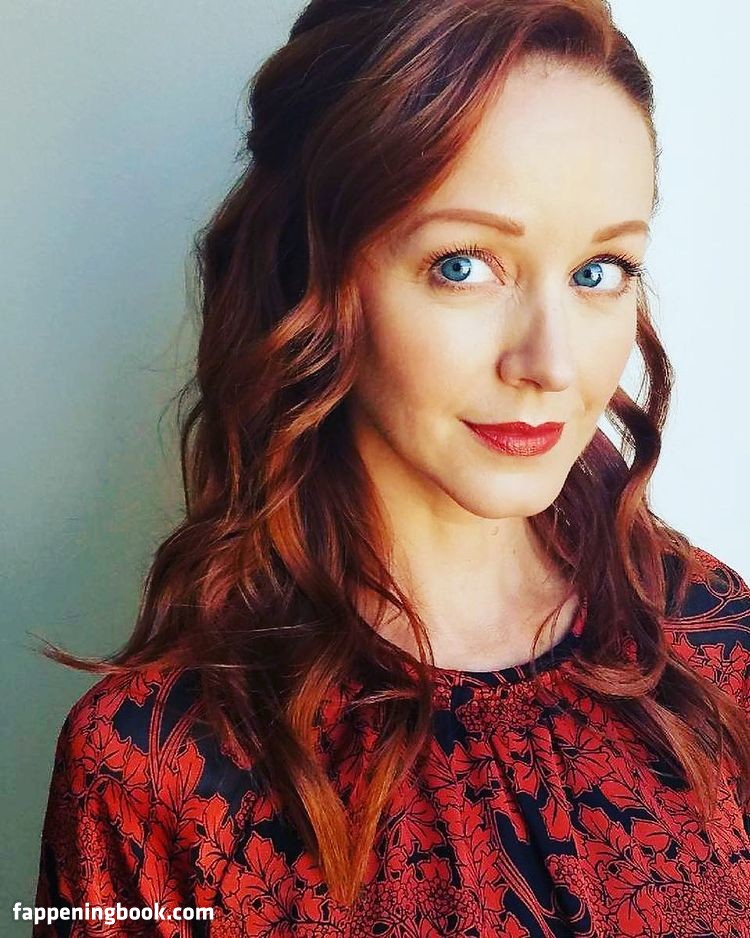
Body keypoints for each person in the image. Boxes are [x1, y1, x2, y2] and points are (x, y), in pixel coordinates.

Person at [33, 0, 750, 935]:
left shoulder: (715, 645)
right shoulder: (152, 769)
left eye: (599, 270)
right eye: (464, 265)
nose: (552, 365)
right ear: (315, 273)